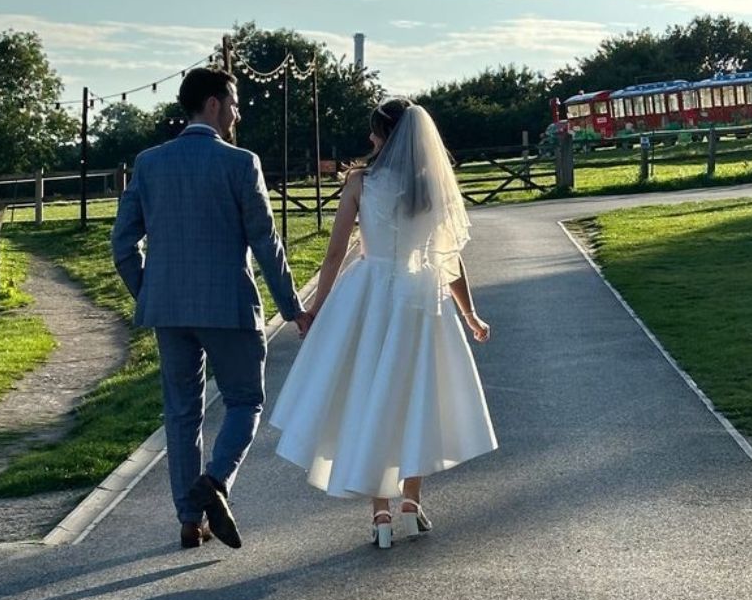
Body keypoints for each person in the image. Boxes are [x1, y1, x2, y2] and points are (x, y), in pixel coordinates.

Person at [269, 97, 497, 549]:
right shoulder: (429, 186)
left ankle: (381, 517)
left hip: (370, 296)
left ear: (386, 135)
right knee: (414, 397)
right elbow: (448, 259)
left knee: (370, 397)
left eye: (375, 132)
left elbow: (335, 254)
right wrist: (469, 312)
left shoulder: (361, 182)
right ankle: (411, 505)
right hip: (420, 296)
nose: (370, 139)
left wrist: (315, 308)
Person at [112, 67, 312, 550]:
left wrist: (153, 293)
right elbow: (266, 242)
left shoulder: (149, 163)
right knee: (245, 401)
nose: (238, 113)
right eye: (235, 102)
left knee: (181, 413)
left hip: (169, 312)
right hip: (229, 307)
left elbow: (122, 243)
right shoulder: (241, 163)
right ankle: (216, 481)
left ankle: (189, 520)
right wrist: (292, 308)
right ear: (215, 104)